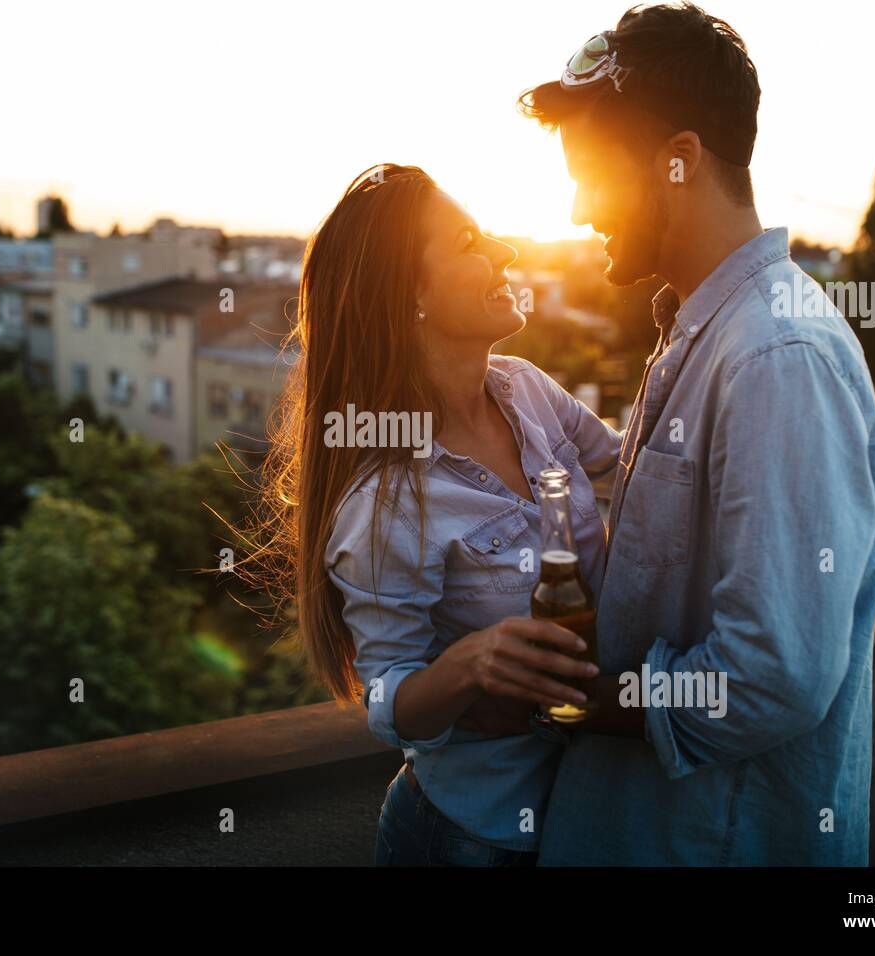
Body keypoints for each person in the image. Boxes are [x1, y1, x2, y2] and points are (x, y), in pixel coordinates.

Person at [517, 2, 875, 864]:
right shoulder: (710, 332)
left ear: (678, 161)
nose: (577, 208)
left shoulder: (775, 357)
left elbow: (774, 674)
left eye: (593, 175)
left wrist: (572, 700)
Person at [250, 164, 622, 865]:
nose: (506, 253)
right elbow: (388, 698)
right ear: (410, 296)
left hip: (587, 817)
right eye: (470, 242)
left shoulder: (528, 391)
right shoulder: (386, 499)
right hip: (469, 842)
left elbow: (639, 474)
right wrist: (469, 665)